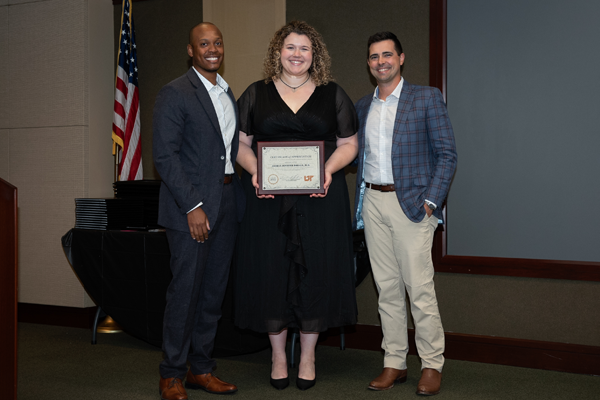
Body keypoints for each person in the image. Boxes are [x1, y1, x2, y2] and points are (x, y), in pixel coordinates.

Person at [233, 20, 359, 391]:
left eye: (305, 48)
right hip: (267, 199)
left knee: (316, 272)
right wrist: (256, 171)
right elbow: (239, 143)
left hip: (320, 199)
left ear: (314, 55)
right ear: (278, 52)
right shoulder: (256, 93)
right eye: (290, 47)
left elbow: (349, 143)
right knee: (271, 270)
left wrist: (327, 171)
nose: (297, 54)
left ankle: (307, 355)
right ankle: (277, 356)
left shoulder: (332, 93)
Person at [353, 32, 457, 396]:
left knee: (420, 290)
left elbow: (447, 154)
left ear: (400, 58)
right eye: (373, 57)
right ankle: (394, 362)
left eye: (387, 55)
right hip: (373, 203)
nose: (380, 61)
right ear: (368, 64)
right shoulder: (362, 106)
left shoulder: (426, 98)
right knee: (387, 290)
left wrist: (431, 201)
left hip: (412, 205)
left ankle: (431, 364)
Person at [152, 22, 244, 400]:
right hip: (190, 211)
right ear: (190, 50)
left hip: (226, 205)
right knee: (185, 294)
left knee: (212, 294)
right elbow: (165, 156)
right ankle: (171, 373)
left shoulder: (227, 92)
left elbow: (229, 153)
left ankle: (201, 369)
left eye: (217, 42)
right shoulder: (175, 93)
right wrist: (193, 205)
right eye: (203, 43)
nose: (212, 49)